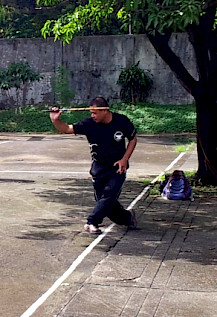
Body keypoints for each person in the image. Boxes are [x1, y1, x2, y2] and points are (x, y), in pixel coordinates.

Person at [49, 96, 137, 234]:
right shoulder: (89, 124)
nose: (92, 115)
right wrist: (55, 120)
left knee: (109, 195)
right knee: (105, 203)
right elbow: (66, 129)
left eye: (95, 113)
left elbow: (133, 139)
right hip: (98, 168)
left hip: (117, 167)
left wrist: (125, 159)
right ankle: (128, 217)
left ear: (104, 110)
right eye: (91, 112)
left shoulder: (121, 121)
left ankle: (92, 222)